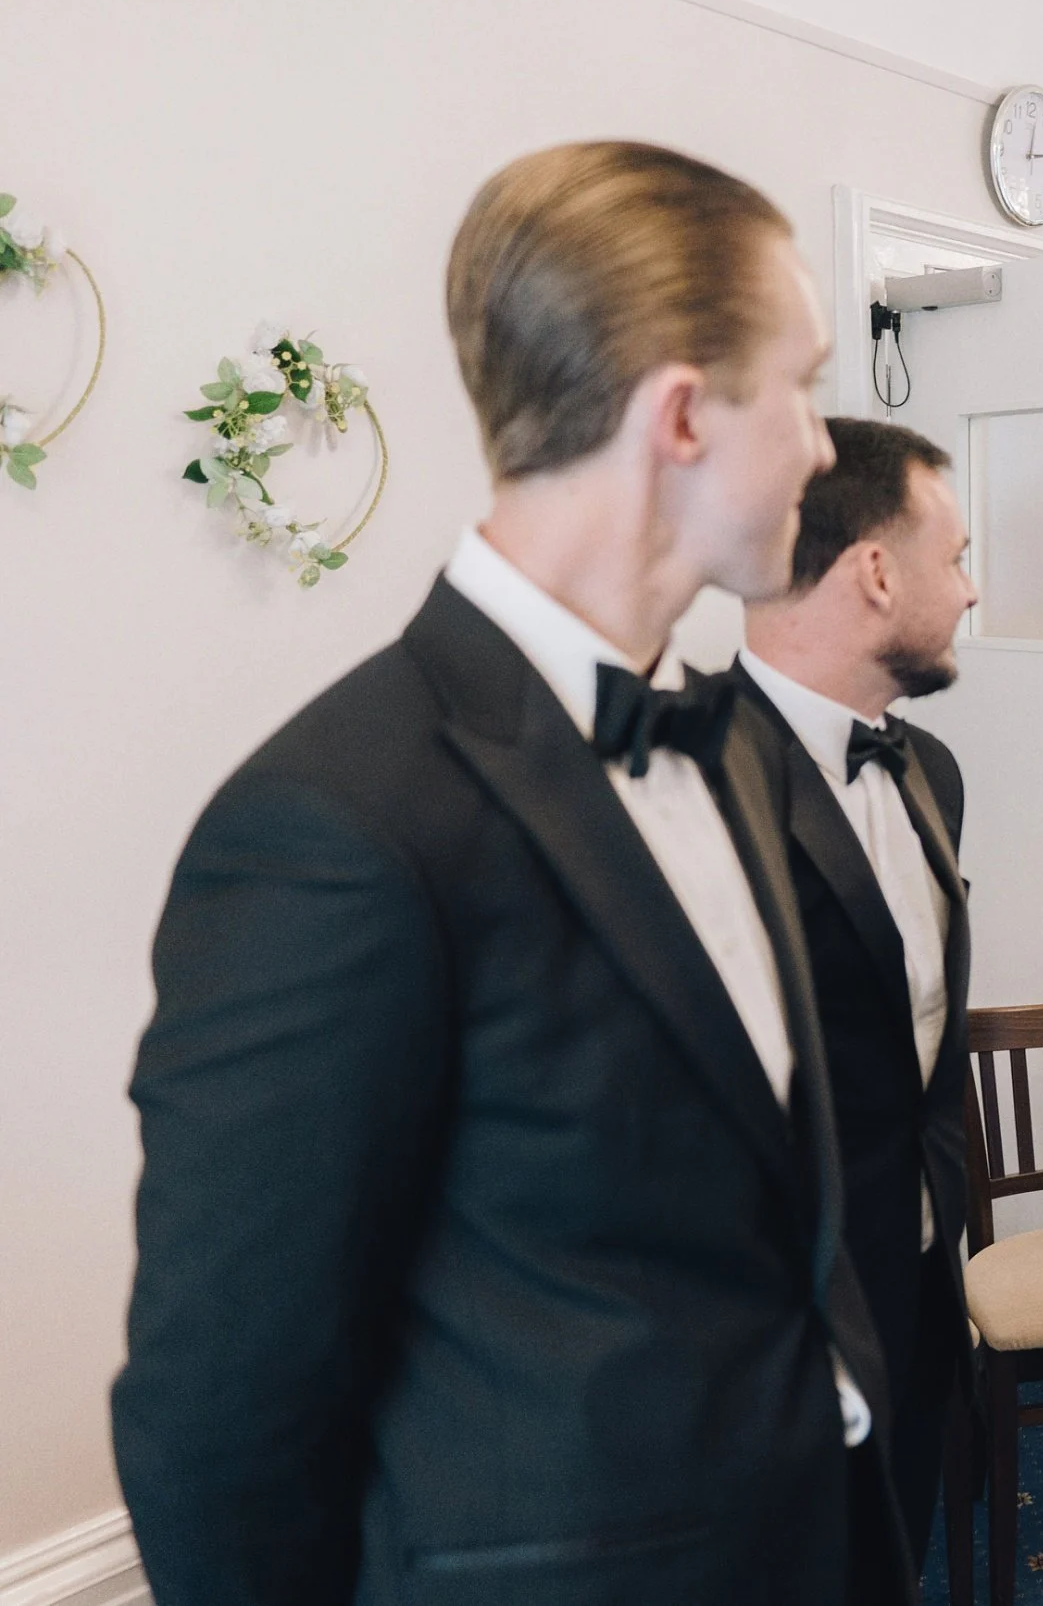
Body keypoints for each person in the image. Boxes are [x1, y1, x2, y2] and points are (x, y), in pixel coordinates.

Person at [112, 143, 913, 1602]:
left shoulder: (727, 741)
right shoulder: (333, 826)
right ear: (680, 414)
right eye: (797, 386)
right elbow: (219, 1421)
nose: (817, 444)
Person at [737, 417, 979, 1567]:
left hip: (925, 1254)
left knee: (896, 1543)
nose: (971, 591)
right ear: (877, 572)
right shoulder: (688, 772)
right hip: (778, 1301)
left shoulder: (932, 769)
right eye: (959, 556)